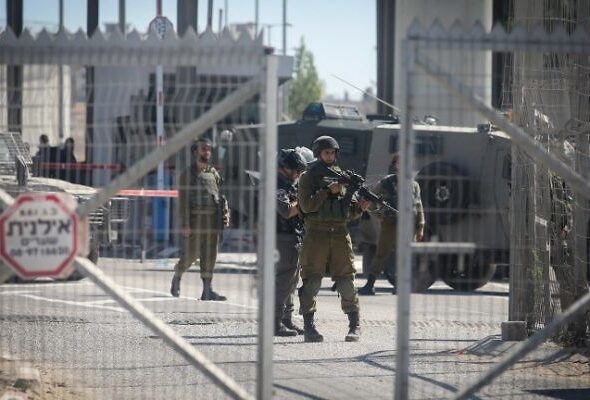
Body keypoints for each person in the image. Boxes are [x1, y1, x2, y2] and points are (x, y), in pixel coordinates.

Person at [297, 135, 370, 343]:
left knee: (346, 280)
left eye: (332, 152)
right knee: (311, 280)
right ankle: (309, 326)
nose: (330, 156)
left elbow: (348, 212)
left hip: (339, 233)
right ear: (319, 153)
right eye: (326, 152)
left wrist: (360, 208)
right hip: (316, 234)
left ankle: (354, 324)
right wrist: (327, 191)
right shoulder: (308, 177)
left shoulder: (343, 177)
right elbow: (306, 206)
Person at [170, 137, 230, 301]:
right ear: (195, 151)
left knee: (210, 255)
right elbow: (183, 200)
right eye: (204, 148)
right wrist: (185, 223)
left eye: (209, 148)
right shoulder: (187, 174)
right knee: (191, 254)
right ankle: (177, 275)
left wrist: (226, 214)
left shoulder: (213, 173)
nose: (207, 151)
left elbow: (221, 196)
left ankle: (207, 290)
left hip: (213, 221)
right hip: (196, 221)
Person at [358, 153, 425, 295]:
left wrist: (421, 226)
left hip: (408, 226)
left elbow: (418, 206)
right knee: (381, 254)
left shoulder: (414, 185)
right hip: (390, 224)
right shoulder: (386, 182)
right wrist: (378, 216)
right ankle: (370, 285)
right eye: (400, 162)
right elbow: (369, 200)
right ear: (395, 165)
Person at [274, 148, 308, 337]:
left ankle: (286, 319)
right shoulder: (277, 184)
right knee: (284, 280)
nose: (298, 175)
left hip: (293, 234)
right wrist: (306, 200)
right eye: (297, 171)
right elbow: (286, 210)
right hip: (281, 236)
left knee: (292, 280)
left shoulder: (289, 183)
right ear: (286, 168)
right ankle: (275, 321)